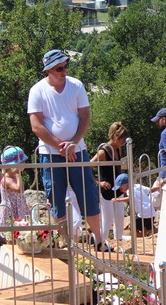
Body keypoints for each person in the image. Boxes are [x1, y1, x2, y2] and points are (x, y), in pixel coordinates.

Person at [27, 49, 106, 251]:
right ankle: (66, 243)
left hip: (78, 150)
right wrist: (59, 145)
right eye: (59, 68)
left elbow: (85, 117)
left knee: (88, 194)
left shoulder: (76, 85)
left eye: (65, 66)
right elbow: (36, 125)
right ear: (48, 71)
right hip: (50, 154)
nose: (64, 71)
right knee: (56, 198)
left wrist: (74, 141)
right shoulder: (37, 91)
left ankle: (99, 239)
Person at [91, 122, 128, 244]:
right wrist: (98, 182)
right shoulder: (103, 152)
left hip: (117, 188)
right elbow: (88, 166)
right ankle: (100, 243)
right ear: (115, 137)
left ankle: (119, 239)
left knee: (119, 216)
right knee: (107, 219)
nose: (124, 142)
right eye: (122, 139)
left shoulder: (118, 150)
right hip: (106, 190)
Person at [0, 146, 30, 226]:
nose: (24, 164)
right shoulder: (6, 179)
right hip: (10, 209)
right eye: (22, 162)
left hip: (18, 207)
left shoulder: (14, 177)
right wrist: (18, 175)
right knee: (11, 232)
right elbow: (19, 189)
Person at [151, 108, 166, 180]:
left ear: (164, 119)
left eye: (158, 121)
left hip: (165, 173)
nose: (157, 123)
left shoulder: (165, 133)